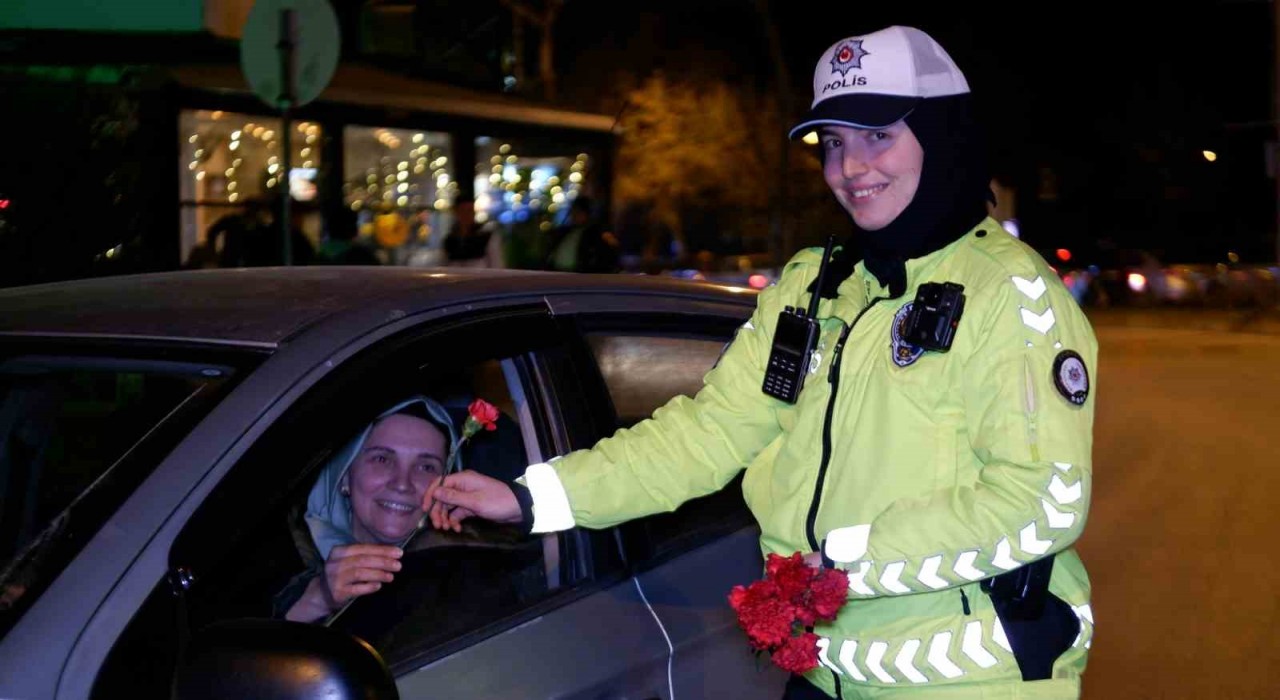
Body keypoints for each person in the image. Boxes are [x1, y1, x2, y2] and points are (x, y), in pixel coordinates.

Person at [423, 25, 1097, 699]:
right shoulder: (814, 287)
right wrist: (533, 496)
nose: (849, 168)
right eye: (832, 144)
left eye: (876, 136)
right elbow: (709, 432)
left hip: (973, 682)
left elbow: (1040, 503)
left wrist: (840, 565)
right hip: (824, 675)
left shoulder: (1009, 295)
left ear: (943, 136)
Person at [274, 396, 459, 623]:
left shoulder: (470, 572)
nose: (402, 483)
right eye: (382, 459)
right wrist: (317, 599)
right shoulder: (272, 557)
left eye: (426, 467)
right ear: (344, 476)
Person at [545, 195, 620, 273]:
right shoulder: (564, 231)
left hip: (580, 275)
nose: (574, 215)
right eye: (573, 212)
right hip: (557, 272)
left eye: (578, 212)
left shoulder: (595, 235)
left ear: (587, 214)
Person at [443, 199, 504, 268]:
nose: (466, 215)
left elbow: (496, 262)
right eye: (463, 211)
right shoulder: (450, 239)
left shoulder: (485, 235)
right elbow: (445, 262)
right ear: (456, 212)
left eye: (470, 210)